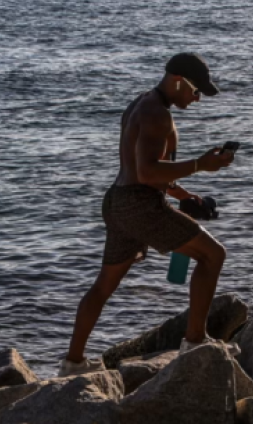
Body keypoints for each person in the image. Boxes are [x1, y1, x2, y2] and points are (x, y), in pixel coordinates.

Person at [59, 52, 237, 376]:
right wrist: (201, 165)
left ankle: (72, 363)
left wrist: (183, 194)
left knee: (103, 285)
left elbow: (137, 168)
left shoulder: (140, 104)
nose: (197, 100)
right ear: (179, 81)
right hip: (140, 205)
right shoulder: (158, 115)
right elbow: (146, 172)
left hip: (117, 202)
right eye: (196, 92)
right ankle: (195, 341)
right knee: (213, 256)